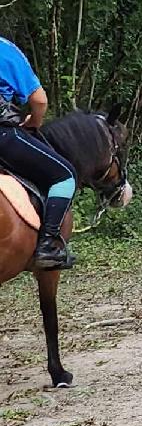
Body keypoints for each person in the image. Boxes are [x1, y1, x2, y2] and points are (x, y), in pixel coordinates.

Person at [0, 37, 78, 270]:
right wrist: (34, 122)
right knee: (65, 175)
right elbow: (39, 101)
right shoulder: (4, 49)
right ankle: (48, 245)